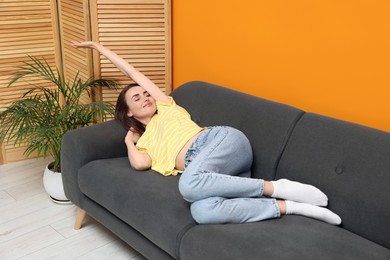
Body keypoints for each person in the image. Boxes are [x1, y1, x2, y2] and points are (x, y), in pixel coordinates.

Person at [71, 41, 342, 225]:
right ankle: (290, 206)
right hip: (213, 173)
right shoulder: (143, 144)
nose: (145, 98)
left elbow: (132, 71)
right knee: (202, 211)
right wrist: (129, 141)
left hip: (220, 142)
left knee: (187, 185)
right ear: (128, 112)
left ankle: (277, 187)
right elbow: (140, 164)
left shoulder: (166, 107)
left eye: (145, 94)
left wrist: (98, 47)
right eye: (136, 98)